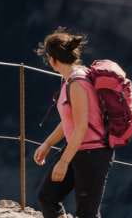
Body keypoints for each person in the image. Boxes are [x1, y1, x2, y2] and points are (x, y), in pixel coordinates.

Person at [32, 29, 113, 218]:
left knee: (87, 214)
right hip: (78, 148)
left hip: (93, 153)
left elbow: (81, 126)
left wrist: (63, 162)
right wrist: (48, 144)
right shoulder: (70, 78)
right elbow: (70, 121)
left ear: (52, 59)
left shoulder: (77, 83)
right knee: (48, 197)